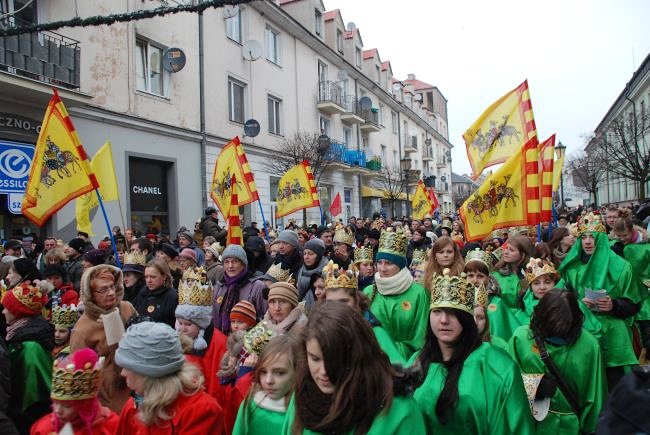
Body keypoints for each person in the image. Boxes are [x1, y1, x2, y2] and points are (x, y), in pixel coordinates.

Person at [412, 269, 534, 433]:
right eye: (437, 311)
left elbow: (516, 424)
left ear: (467, 320)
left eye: (453, 314)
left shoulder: (497, 365)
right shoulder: (416, 361)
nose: (443, 320)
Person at [283, 302, 426, 434]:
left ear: (357, 355)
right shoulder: (304, 395)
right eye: (315, 359)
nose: (324, 371)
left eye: (334, 359)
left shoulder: (399, 410)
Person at [558, 212, 642, 389]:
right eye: (584, 237)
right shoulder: (571, 269)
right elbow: (559, 301)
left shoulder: (622, 267)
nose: (588, 242)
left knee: (617, 387)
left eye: (592, 237)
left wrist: (614, 305)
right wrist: (579, 305)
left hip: (615, 337)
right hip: (582, 333)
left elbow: (635, 303)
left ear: (602, 239)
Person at [508, 290, 606, 434]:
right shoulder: (521, 339)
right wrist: (535, 384)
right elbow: (506, 384)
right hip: (530, 424)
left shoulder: (589, 346)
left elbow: (595, 396)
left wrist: (592, 430)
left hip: (571, 427)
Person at [115, 322, 225, 434]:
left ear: (149, 372)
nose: (123, 373)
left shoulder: (201, 412)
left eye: (127, 367)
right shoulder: (133, 407)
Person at [69, 265, 137, 412]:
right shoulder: (83, 329)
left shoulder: (126, 308)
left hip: (137, 386)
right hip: (108, 398)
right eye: (104, 289)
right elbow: (79, 374)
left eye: (112, 287)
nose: (111, 293)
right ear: (91, 294)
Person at [363, 228, 430, 361]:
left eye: (389, 263)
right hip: (373, 363)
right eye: (379, 262)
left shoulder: (419, 293)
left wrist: (392, 354)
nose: (382, 268)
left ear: (400, 265)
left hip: (407, 365)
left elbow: (421, 338)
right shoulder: (369, 291)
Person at [2, 281, 53, 433]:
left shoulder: (30, 346)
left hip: (28, 420)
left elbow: (32, 394)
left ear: (18, 312)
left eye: (7, 308)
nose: (3, 312)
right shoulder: (19, 335)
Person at [30, 348, 119, 435]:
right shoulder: (43, 428)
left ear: (85, 405)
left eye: (67, 406)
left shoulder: (111, 426)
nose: (58, 411)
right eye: (55, 403)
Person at [233, 335, 298, 435]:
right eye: (263, 371)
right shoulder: (250, 401)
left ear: (297, 372)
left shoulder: (303, 412)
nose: (268, 381)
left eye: (280, 373)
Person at [213, 245, 267, 334]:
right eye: (226, 262)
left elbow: (265, 318)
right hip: (221, 340)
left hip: (247, 341)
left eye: (235, 261)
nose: (230, 266)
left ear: (243, 264)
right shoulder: (219, 287)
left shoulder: (257, 287)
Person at [491, 235, 534, 309]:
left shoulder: (533, 276)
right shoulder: (495, 275)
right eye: (506, 248)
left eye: (511, 250)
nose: (506, 252)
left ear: (523, 254)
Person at [132, 259, 178, 327]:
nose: (148, 280)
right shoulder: (142, 293)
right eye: (146, 277)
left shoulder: (172, 297)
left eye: (153, 277)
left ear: (164, 277)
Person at [295, 238, 328, 310]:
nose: (306, 257)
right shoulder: (301, 270)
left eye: (310, 254)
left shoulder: (327, 271)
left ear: (318, 255)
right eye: (304, 254)